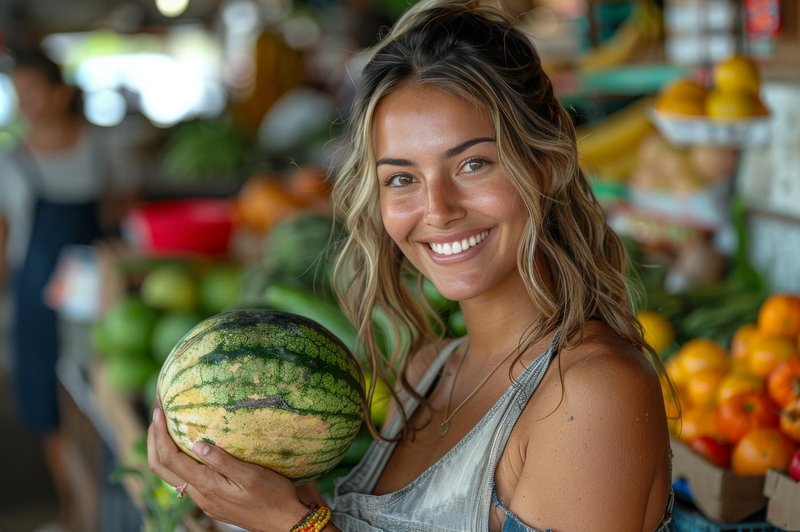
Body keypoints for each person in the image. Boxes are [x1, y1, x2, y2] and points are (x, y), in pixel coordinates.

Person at [148, 1, 674, 530]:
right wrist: (263, 496)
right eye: (402, 178)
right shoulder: (427, 372)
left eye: (472, 164)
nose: (438, 210)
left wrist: (297, 526)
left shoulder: (591, 393)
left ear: (545, 166)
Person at [0, 48, 137, 530]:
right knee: (46, 409)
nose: (27, 104)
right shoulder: (10, 161)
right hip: (35, 300)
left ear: (60, 95)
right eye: (20, 96)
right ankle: (73, 512)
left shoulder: (102, 148)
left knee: (97, 404)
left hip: (98, 300)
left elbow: (123, 212)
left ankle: (96, 513)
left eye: (35, 94)